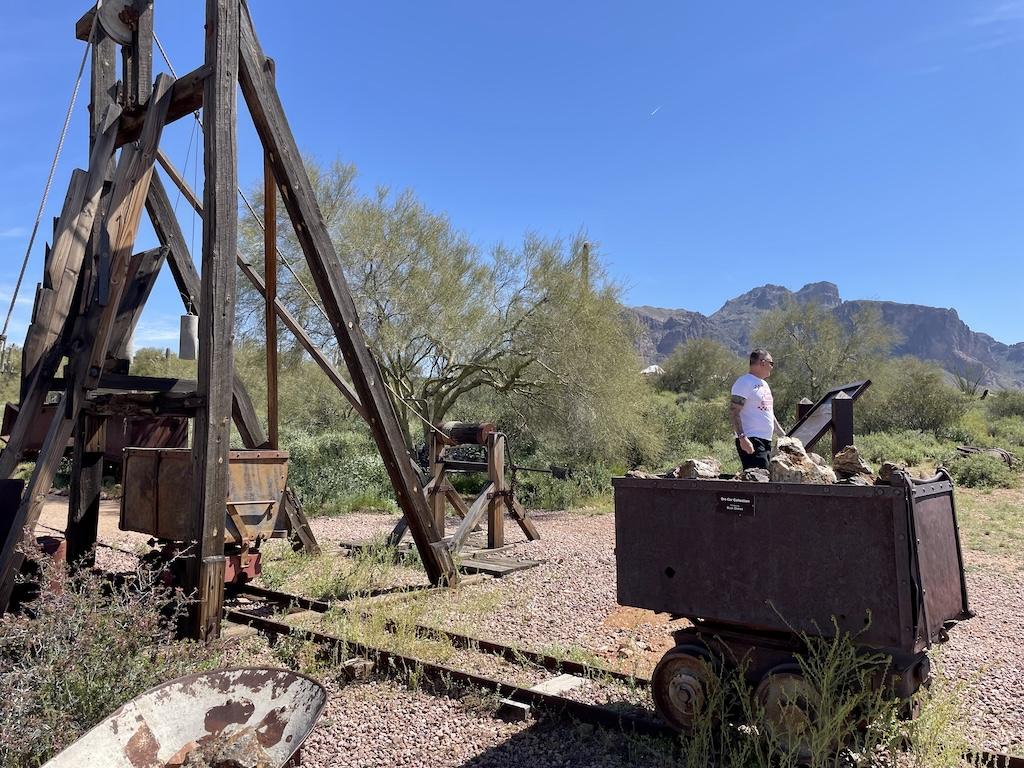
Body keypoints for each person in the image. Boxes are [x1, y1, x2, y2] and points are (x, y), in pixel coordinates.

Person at [729, 348, 786, 470]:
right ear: (763, 362)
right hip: (751, 439)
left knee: (765, 478)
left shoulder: (764, 385)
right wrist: (742, 438)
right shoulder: (744, 382)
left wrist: (783, 435)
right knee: (759, 482)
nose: (772, 367)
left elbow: (768, 412)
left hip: (766, 440)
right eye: (771, 363)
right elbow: (734, 411)